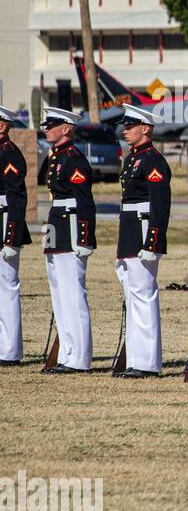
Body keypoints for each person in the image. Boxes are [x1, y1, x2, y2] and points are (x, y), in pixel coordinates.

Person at [114, 105, 171, 378]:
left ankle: (147, 362)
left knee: (143, 295)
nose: (125, 130)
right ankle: (136, 358)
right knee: (133, 295)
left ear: (145, 128)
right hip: (130, 228)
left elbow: (160, 205)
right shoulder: (135, 158)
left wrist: (153, 242)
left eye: (131, 125)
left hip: (143, 228)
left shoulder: (153, 160)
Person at [40, 106, 94, 374]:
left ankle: (79, 358)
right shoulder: (57, 156)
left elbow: (85, 201)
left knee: (73, 293)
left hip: (71, 224)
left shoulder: (73, 158)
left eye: (52, 124)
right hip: (57, 223)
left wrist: (85, 238)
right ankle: (67, 353)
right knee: (60, 293)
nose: (46, 128)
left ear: (66, 128)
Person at [0, 104, 31, 365]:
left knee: (6, 286)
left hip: (4, 223)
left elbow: (17, 198)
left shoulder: (9, 154)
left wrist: (11, 237)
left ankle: (9, 351)